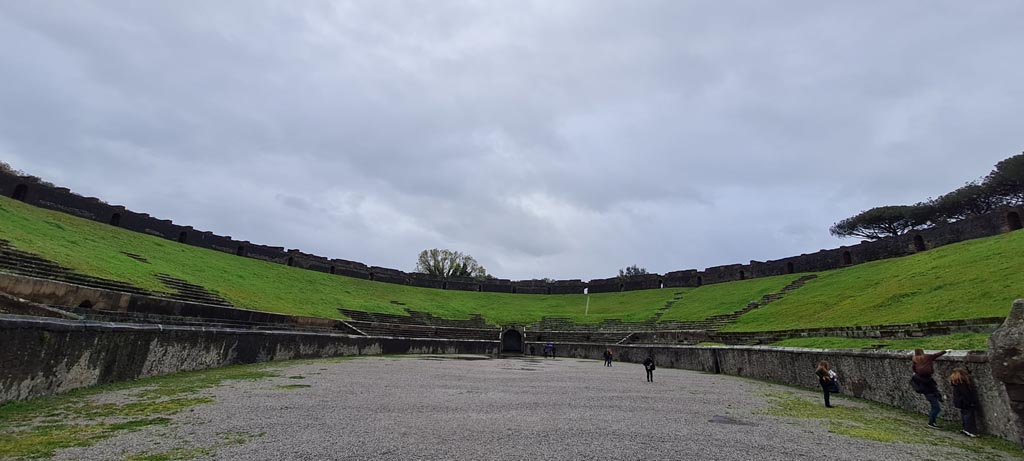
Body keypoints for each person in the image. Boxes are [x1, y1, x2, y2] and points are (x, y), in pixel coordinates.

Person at [911, 348, 951, 428]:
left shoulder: (915, 360)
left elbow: (914, 368)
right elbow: (936, 355)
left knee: (933, 398)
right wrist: (946, 351)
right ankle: (931, 422)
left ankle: (932, 421)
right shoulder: (927, 357)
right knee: (936, 407)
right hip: (928, 383)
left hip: (924, 384)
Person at [950, 368, 980, 437]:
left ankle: (966, 429)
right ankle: (970, 431)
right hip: (965, 402)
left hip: (960, 402)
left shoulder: (955, 383)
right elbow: (966, 394)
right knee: (969, 416)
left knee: (964, 415)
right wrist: (971, 402)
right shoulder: (962, 384)